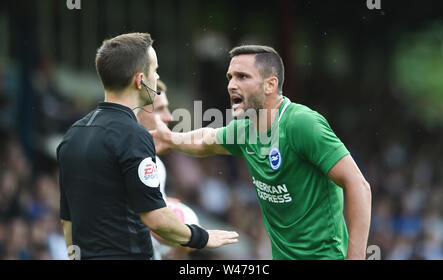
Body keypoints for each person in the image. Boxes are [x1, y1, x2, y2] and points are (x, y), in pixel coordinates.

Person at [150, 45, 372, 260]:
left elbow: (359, 185)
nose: (231, 85)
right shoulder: (246, 130)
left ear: (270, 85)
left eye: (242, 77)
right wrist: (171, 139)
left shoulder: (301, 123)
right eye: (230, 77)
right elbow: (206, 141)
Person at [56, 33, 238, 260]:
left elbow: (68, 220)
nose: (158, 76)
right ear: (140, 80)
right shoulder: (133, 134)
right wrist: (203, 237)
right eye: (155, 70)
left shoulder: (73, 135)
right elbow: (156, 219)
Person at [137, 80, 200, 260]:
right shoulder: (131, 161)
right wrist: (187, 237)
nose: (169, 117)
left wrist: (162, 205)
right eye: (160, 109)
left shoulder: (154, 162)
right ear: (137, 114)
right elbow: (155, 225)